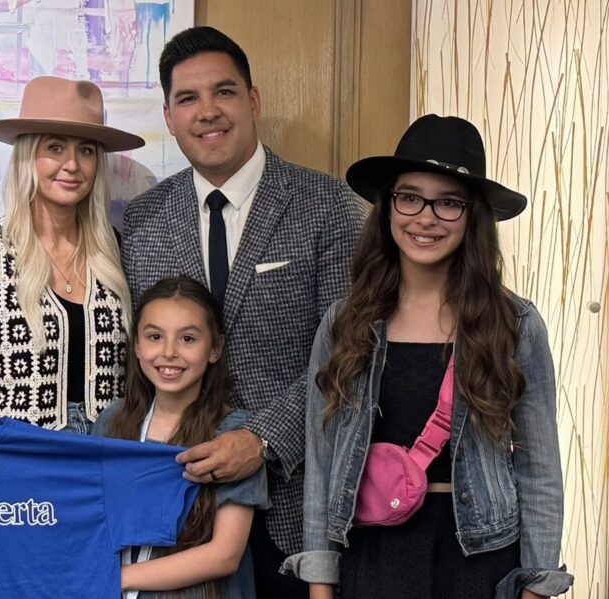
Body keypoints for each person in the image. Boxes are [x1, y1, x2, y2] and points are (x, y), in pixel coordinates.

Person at [120, 26, 367, 597]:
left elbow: (348, 355)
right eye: (188, 99)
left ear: (253, 101)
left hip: (294, 511)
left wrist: (260, 439)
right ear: (169, 115)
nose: (208, 112)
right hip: (179, 515)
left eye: (224, 92)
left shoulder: (326, 207)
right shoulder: (144, 219)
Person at [282, 115, 572, 599]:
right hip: (374, 555)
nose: (425, 217)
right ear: (388, 205)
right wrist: (320, 581)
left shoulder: (515, 325)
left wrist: (537, 587)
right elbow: (323, 460)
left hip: (479, 557)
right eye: (410, 196)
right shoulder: (345, 322)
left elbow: (540, 471)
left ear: (473, 216)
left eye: (449, 203)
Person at [0, 76, 141, 433]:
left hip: (106, 456)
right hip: (21, 460)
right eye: (55, 148)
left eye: (86, 150)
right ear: (28, 156)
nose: (72, 164)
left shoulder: (116, 249)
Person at [96, 276, 268, 598]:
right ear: (135, 345)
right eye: (154, 337)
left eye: (188, 338)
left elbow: (224, 555)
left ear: (215, 348)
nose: (169, 352)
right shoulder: (112, 422)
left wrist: (117, 577)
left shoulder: (232, 433)